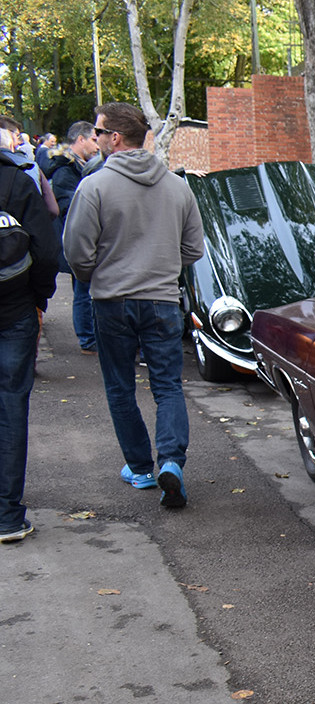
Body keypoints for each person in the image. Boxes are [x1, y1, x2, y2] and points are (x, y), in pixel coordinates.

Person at [63, 101, 203, 510]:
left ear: (115, 138)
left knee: (120, 385)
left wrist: (98, 273)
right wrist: (161, 264)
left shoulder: (94, 187)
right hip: (161, 300)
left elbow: (76, 253)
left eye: (99, 132)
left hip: (112, 301)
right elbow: (193, 249)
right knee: (167, 385)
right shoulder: (178, 187)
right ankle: (172, 462)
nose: (95, 138)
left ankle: (141, 467)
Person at [0, 125, 60, 543]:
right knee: (10, 407)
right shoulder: (17, 181)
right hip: (14, 310)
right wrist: (37, 300)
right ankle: (6, 515)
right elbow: (47, 251)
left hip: (17, 310)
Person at [49, 121, 97, 353]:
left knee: (84, 291)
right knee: (83, 291)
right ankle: (87, 339)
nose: (97, 146)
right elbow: (71, 208)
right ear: (81, 140)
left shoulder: (73, 167)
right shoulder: (64, 171)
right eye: (93, 140)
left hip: (81, 240)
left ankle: (89, 337)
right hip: (77, 241)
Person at [0, 117, 59, 218]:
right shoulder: (29, 166)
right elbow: (52, 209)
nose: (19, 142)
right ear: (8, 135)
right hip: (25, 227)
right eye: (17, 136)